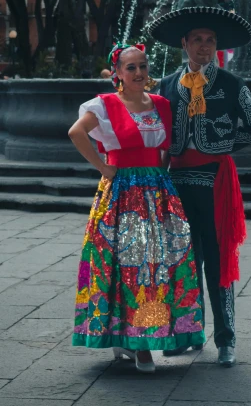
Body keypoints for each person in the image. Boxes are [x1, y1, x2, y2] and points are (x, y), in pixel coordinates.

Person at [68, 42, 205, 373]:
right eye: (131, 68)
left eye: (143, 66)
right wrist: (103, 167)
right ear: (117, 73)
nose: (139, 73)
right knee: (124, 265)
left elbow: (167, 146)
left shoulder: (159, 103)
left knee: (158, 265)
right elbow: (76, 132)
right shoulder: (104, 105)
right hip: (121, 194)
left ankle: (143, 336)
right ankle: (136, 343)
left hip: (157, 191)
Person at [147, 6, 251, 368]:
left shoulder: (232, 84)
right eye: (197, 40)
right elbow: (155, 133)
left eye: (210, 40)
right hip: (177, 183)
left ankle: (226, 340)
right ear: (184, 44)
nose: (204, 47)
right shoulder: (166, 86)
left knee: (217, 264)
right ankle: (189, 334)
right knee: (183, 263)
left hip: (215, 181)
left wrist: (225, 145)